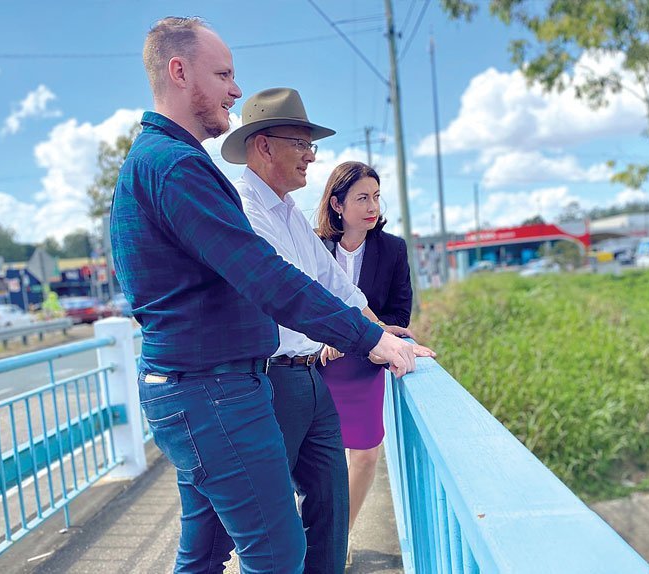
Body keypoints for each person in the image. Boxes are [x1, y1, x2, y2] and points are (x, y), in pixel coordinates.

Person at [110, 18, 421, 574]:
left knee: (208, 551)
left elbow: (322, 281)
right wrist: (371, 339)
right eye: (223, 75)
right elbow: (267, 278)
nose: (235, 90)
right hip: (211, 388)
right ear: (179, 72)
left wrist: (375, 330)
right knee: (276, 552)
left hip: (214, 384)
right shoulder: (174, 166)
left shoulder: (167, 161)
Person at [221, 88, 434, 573]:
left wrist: (388, 337)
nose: (311, 156)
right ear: (264, 146)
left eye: (311, 145)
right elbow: (291, 293)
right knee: (269, 525)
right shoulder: (245, 210)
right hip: (271, 379)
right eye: (301, 143)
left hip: (309, 377)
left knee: (332, 509)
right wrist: (367, 339)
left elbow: (337, 286)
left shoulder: (289, 213)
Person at [315, 161, 414, 554]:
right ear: (337, 204)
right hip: (317, 366)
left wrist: (356, 338)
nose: (373, 206)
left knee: (366, 456)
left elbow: (399, 316)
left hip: (365, 366)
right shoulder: (314, 246)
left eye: (376, 196)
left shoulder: (392, 250)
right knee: (318, 461)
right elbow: (297, 305)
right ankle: (315, 535)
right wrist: (327, 337)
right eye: (361, 198)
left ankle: (339, 539)